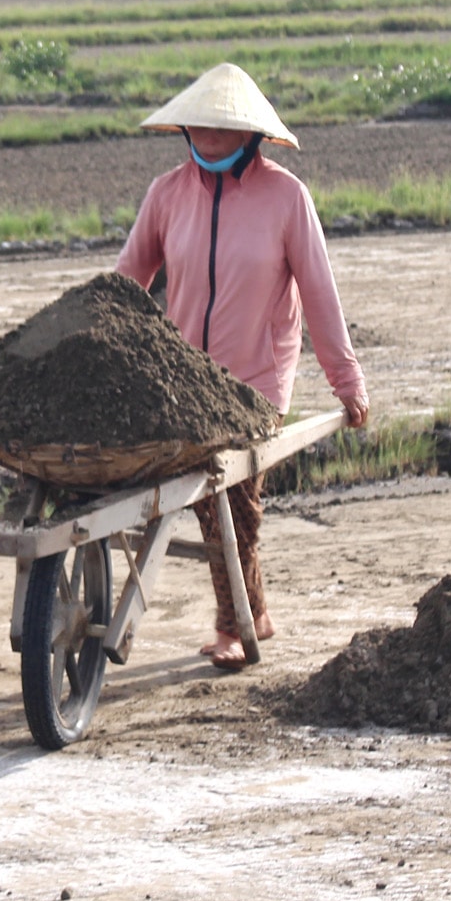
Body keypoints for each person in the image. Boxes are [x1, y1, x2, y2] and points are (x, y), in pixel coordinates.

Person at [115, 64, 370, 671]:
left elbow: (320, 296)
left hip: (255, 380)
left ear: (250, 134)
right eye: (201, 123)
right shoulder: (167, 195)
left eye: (224, 125)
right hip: (182, 380)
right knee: (209, 498)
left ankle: (232, 626)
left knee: (231, 500)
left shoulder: (287, 199)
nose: (210, 134)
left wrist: (347, 381)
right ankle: (254, 612)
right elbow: (126, 284)